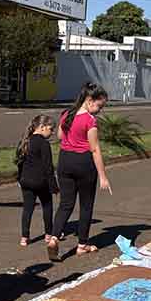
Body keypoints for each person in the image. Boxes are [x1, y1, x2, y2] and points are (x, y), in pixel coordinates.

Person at [48, 83, 111, 261]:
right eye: (99, 105)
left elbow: (60, 136)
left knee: (66, 204)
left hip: (65, 161)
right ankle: (82, 245)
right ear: (89, 100)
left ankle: (54, 237)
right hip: (83, 163)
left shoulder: (67, 113)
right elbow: (95, 149)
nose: (100, 110)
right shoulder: (89, 120)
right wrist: (103, 176)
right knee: (86, 205)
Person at [15, 114, 59, 247]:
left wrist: (19, 178)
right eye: (51, 129)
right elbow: (48, 167)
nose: (52, 133)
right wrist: (54, 186)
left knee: (27, 208)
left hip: (25, 180)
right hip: (40, 182)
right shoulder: (44, 144)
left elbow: (19, 162)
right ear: (42, 127)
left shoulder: (25, 141)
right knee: (47, 206)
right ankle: (48, 234)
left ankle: (24, 237)